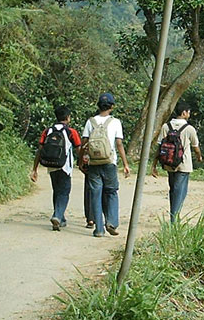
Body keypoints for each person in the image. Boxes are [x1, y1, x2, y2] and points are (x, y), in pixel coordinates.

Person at [79, 92, 130, 238]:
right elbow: (119, 144)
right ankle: (111, 222)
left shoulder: (90, 122)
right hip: (109, 162)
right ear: (112, 107)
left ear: (98, 106)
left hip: (94, 163)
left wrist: (82, 160)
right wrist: (125, 164)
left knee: (95, 194)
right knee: (111, 192)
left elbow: (83, 144)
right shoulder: (115, 122)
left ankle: (99, 229)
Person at [30, 105, 82, 230]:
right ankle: (57, 216)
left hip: (51, 165)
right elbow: (78, 148)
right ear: (68, 118)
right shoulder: (71, 132)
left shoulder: (47, 131)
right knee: (64, 192)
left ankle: (61, 218)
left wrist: (35, 168)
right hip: (65, 167)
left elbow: (40, 150)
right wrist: (82, 163)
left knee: (57, 191)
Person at [152, 100, 204, 223]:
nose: (189, 114)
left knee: (173, 190)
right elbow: (195, 147)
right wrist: (199, 157)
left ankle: (173, 215)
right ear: (184, 112)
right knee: (181, 191)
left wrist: (154, 165)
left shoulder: (166, 126)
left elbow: (159, 147)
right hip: (183, 164)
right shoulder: (189, 129)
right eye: (188, 112)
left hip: (169, 164)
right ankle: (174, 219)